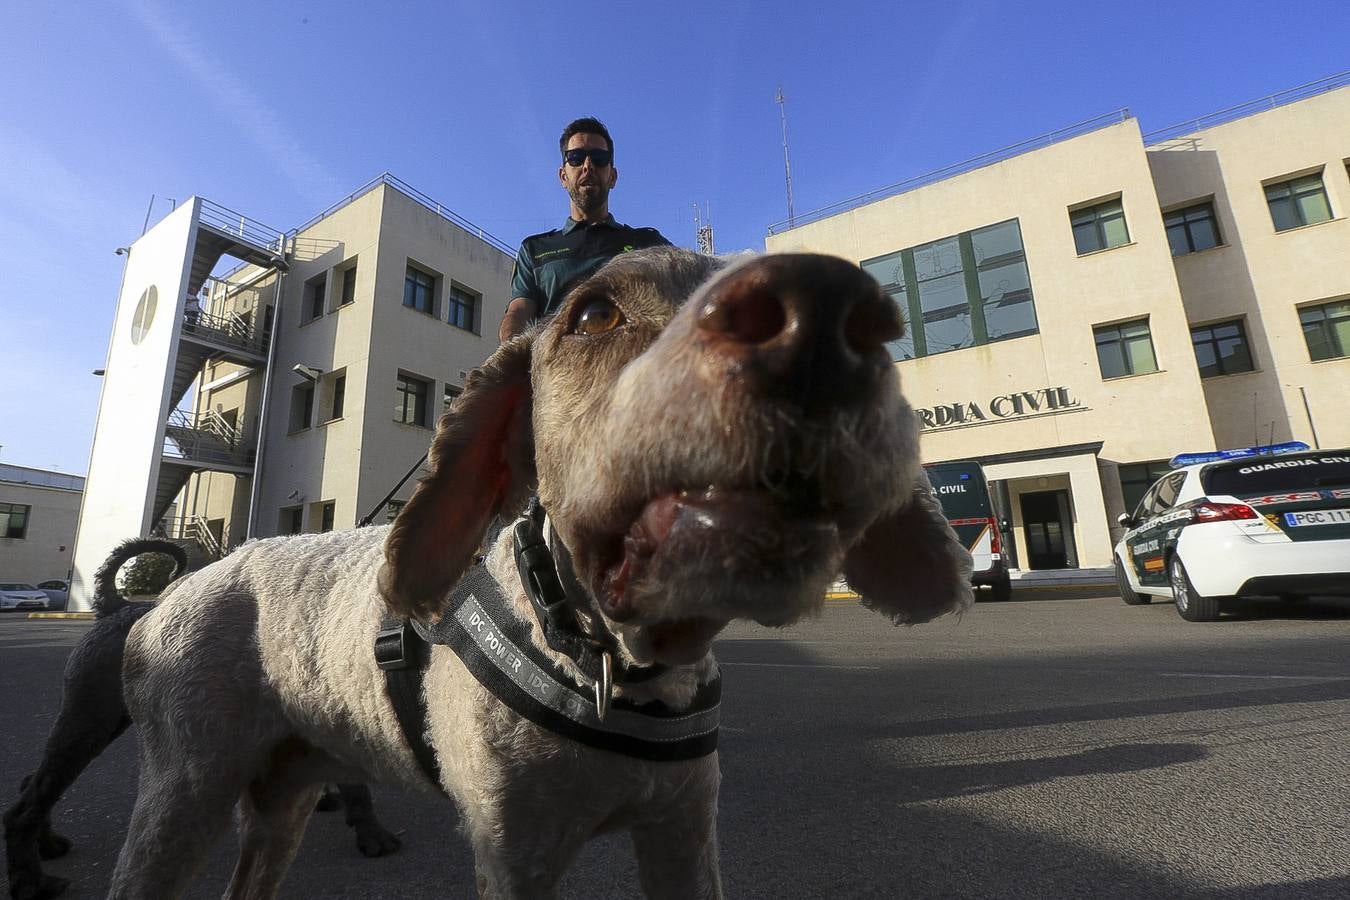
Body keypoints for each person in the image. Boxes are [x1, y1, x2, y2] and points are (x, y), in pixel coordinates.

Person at [499, 117, 671, 342]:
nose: (588, 166)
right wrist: (509, 349)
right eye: (576, 158)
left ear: (612, 176)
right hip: (558, 371)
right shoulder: (534, 249)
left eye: (599, 159)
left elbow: (692, 289)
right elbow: (520, 311)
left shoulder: (646, 243)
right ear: (563, 176)